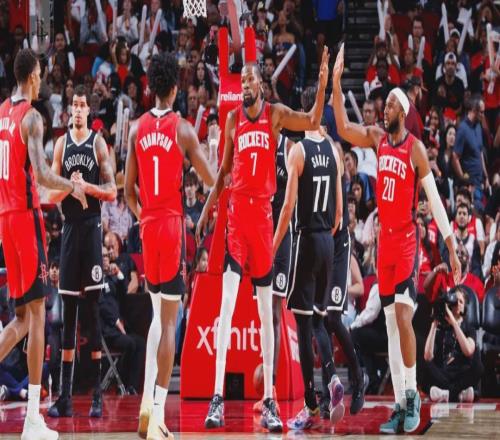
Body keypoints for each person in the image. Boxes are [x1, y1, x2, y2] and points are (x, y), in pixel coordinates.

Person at [196, 48, 330, 432]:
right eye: (242, 81)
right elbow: (223, 173)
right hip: (237, 218)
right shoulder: (233, 120)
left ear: (261, 86)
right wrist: (206, 211)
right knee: (225, 306)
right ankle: (216, 398)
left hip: (263, 221)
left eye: (251, 80)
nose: (245, 85)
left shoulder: (275, 115)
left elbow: (313, 119)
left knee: (265, 315)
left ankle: (269, 398)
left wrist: (322, 83)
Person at [332, 44, 461, 434]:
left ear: (401, 112)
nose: (382, 109)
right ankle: (401, 401)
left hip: (406, 241)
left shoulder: (414, 149)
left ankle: (412, 397)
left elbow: (435, 200)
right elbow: (344, 128)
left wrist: (451, 246)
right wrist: (335, 84)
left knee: (403, 317)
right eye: (383, 105)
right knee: (390, 324)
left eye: (388, 105)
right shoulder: (377, 139)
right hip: (384, 244)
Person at [125, 52, 215, 440]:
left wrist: (143, 216)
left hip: (148, 226)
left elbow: (127, 192)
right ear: (176, 90)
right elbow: (211, 178)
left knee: (154, 317)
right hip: (172, 226)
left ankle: (146, 403)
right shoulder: (183, 129)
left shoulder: (135, 129)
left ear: (150, 87)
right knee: (168, 323)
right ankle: (159, 414)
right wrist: (215, 150)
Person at [0, 48, 86, 439]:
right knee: (37, 317)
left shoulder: (2, 113)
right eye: (41, 74)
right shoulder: (31, 117)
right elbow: (41, 173)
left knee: (20, 319)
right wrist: (73, 185)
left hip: (5, 220)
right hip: (24, 217)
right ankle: (33, 418)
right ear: (33, 75)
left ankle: (34, 417)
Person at [273, 86, 343, 430]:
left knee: (302, 326)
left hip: (305, 238)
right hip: (328, 241)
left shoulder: (298, 151)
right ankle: (332, 378)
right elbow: (340, 213)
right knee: (319, 322)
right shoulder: (333, 150)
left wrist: (273, 246)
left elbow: (287, 206)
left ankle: (311, 406)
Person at [47, 84, 116, 418]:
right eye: (73, 104)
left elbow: (112, 191)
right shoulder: (61, 144)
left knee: (92, 314)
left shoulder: (97, 143)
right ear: (69, 109)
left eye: (82, 105)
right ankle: (64, 396)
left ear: (89, 110)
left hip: (91, 229)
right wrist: (69, 188)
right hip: (71, 231)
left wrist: (85, 187)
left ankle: (97, 397)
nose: (77, 109)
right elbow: (49, 194)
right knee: (68, 316)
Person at [423, 286, 483, 403]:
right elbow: (428, 357)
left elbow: (468, 351)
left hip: (462, 373)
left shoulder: (469, 328)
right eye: (455, 300)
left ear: (464, 308)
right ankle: (459, 395)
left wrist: (454, 323)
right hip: (444, 374)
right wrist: (434, 323)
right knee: (426, 365)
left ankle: (445, 394)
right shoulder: (441, 328)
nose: (457, 304)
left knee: (478, 366)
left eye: (460, 301)